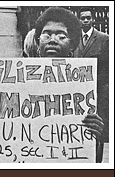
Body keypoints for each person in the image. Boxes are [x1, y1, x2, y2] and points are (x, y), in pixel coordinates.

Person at [34, 7, 105, 162]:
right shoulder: (16, 79)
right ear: (37, 41)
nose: (52, 40)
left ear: (72, 46)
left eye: (61, 36)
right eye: (46, 34)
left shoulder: (87, 84)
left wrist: (98, 131)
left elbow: (92, 156)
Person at [73, 7, 109, 162]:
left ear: (93, 19)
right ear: (79, 20)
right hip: (77, 91)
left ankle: (96, 161)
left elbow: (107, 68)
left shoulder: (103, 38)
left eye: (88, 18)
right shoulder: (73, 39)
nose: (85, 21)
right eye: (83, 18)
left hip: (97, 90)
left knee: (95, 128)